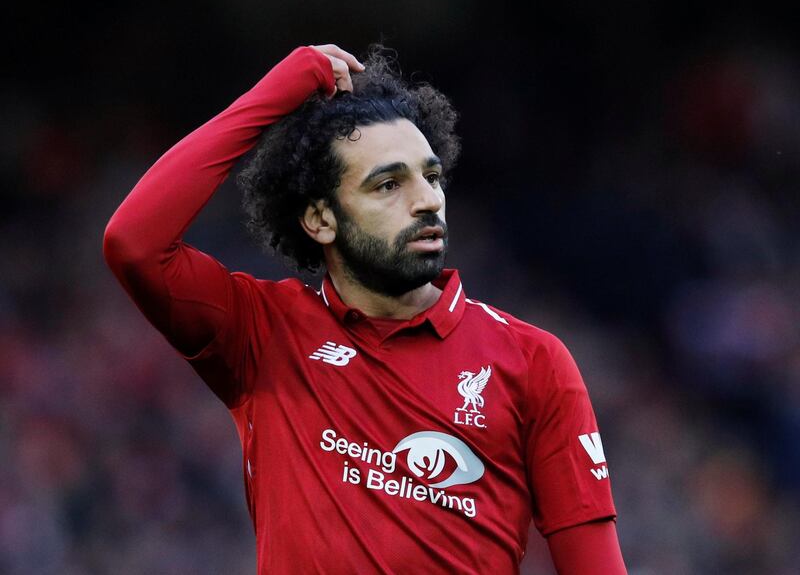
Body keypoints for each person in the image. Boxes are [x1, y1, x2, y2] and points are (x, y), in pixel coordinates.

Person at [103, 43, 627, 574]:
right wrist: (268, 99)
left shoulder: (532, 361)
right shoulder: (262, 332)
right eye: (389, 184)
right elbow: (134, 243)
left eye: (432, 176)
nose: (427, 200)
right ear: (320, 220)